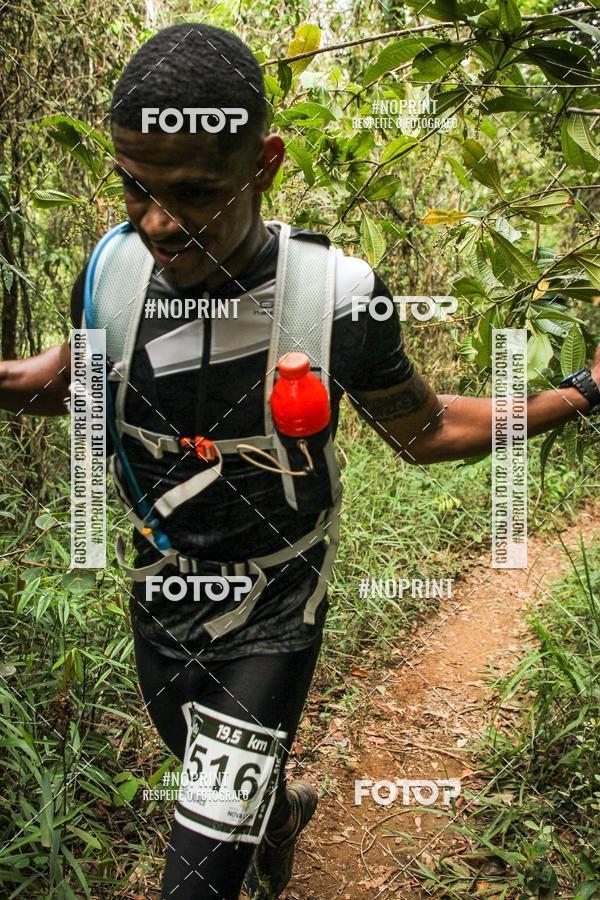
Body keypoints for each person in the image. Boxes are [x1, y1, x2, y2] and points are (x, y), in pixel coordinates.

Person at [1, 23, 599, 900]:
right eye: (135, 186)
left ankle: (253, 815)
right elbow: (85, 377)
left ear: (266, 163)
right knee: (196, 752)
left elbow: (425, 430)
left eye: (196, 192)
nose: (159, 222)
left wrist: (580, 390)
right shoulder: (111, 269)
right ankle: (283, 810)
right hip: (161, 588)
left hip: (281, 602)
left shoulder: (337, 299)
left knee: (197, 872)